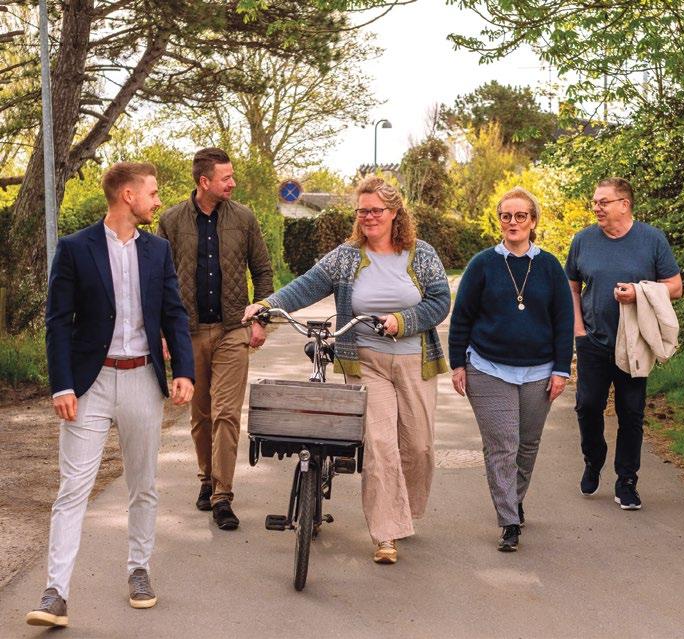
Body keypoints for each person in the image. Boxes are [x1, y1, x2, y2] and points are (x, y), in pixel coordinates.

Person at [242, 176, 450, 564]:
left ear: (394, 213)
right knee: (380, 445)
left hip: (414, 360)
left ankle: (405, 510)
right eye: (362, 210)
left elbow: (440, 302)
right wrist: (266, 305)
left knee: (418, 446)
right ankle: (386, 533)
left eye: (377, 210)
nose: (368, 217)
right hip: (366, 361)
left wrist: (402, 320)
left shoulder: (421, 254)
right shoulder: (346, 256)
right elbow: (305, 286)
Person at [27, 162, 195, 628]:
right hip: (91, 384)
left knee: (143, 484)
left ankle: (139, 570)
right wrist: (62, 384)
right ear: (127, 195)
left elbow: (174, 314)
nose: (158, 200)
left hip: (142, 379)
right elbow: (58, 321)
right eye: (152, 193)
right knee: (73, 488)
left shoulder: (158, 250)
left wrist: (184, 370)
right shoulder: (75, 248)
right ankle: (55, 593)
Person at [448, 187, 573, 552]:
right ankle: (508, 521)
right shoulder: (482, 264)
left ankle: (514, 499)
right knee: (503, 445)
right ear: (499, 221)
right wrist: (458, 364)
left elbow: (563, 321)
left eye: (521, 216)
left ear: (533, 221)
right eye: (506, 216)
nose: (513, 222)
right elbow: (462, 317)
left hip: (539, 371)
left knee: (527, 445)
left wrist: (561, 369)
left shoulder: (549, 266)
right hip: (488, 368)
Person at [157, 147, 273, 530]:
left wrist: (261, 318)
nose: (233, 183)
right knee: (200, 414)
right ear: (204, 181)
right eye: (226, 177)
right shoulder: (171, 221)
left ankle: (223, 495)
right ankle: (206, 479)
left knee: (226, 413)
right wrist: (162, 331)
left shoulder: (244, 218)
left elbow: (263, 270)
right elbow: (159, 281)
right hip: (188, 333)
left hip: (232, 330)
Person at [566, 177, 681, 510]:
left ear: (624, 205)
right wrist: (578, 329)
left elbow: (675, 286)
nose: (596, 207)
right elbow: (571, 285)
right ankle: (594, 458)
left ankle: (627, 481)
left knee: (631, 412)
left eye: (603, 202)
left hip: (635, 342)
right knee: (587, 406)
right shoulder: (583, 240)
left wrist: (639, 292)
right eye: (595, 202)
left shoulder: (651, 239)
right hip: (593, 340)